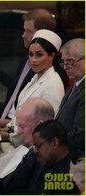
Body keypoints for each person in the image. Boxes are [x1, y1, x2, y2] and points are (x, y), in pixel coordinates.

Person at [0, 8, 68, 122]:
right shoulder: (31, 67)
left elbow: (48, 122)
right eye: (31, 55)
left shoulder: (55, 78)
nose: (23, 35)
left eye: (28, 31)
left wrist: (10, 130)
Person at [0, 120, 80, 195]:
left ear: (55, 143)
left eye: (38, 146)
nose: (35, 151)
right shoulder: (44, 161)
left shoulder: (71, 177)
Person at [57, 38, 84, 193]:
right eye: (64, 62)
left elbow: (81, 135)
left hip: (74, 158)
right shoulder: (75, 86)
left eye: (71, 61)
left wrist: (52, 142)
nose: (66, 67)